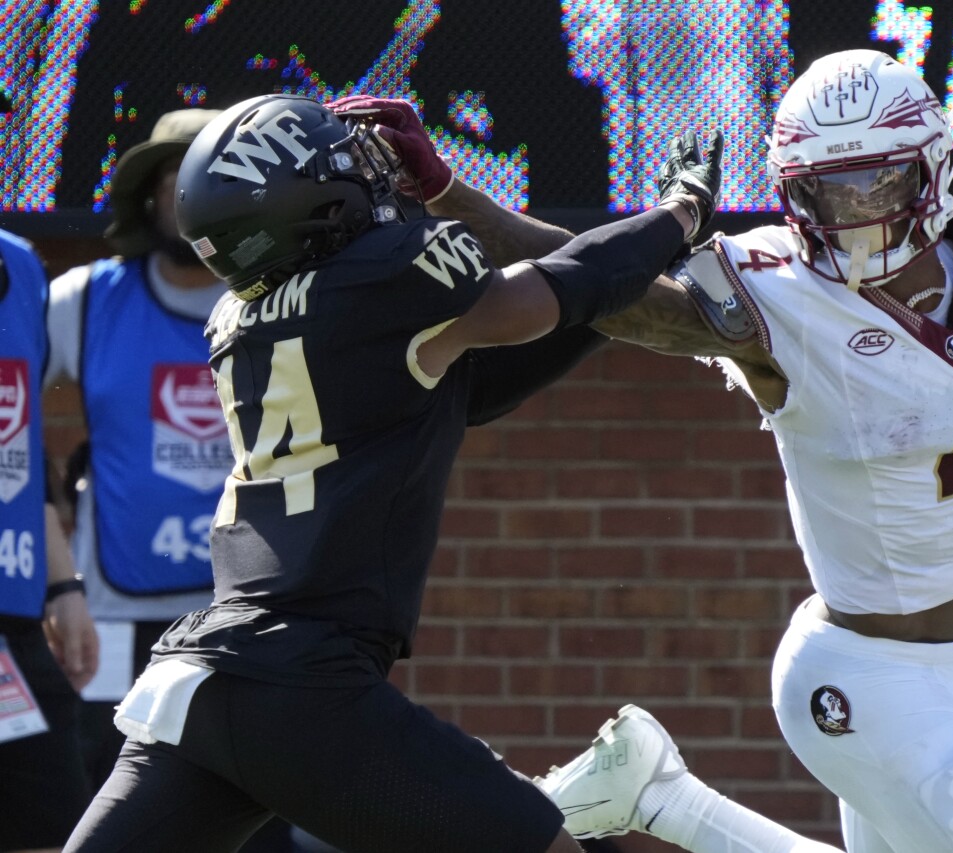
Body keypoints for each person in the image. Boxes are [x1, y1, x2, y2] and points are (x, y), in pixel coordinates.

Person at [429, 49, 953, 851]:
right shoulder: (778, 291)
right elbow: (601, 295)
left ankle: (661, 795)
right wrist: (449, 192)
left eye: (874, 186)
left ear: (930, 168)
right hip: (863, 675)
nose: (852, 215)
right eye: (825, 191)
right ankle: (664, 801)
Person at [64, 92, 721, 853]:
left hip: (205, 677)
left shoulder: (238, 323)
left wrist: (610, 295)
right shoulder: (381, 275)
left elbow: (479, 382)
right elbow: (546, 294)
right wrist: (680, 213)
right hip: (305, 677)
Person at [42, 107, 232, 785]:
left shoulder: (279, 305)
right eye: (176, 182)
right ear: (149, 195)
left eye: (208, 183)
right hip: (112, 615)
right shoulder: (83, 299)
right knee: (101, 788)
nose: (187, 202)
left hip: (240, 614)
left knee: (242, 802)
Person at [0, 227, 98, 852]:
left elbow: (19, 444)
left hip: (15, 623)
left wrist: (63, 586)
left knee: (58, 827)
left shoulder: (21, 265)